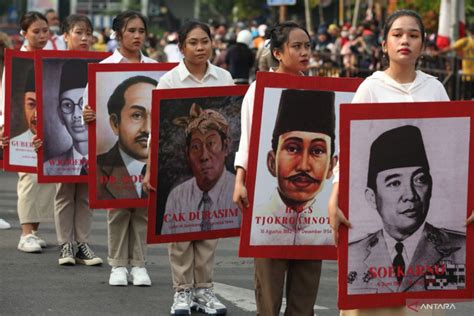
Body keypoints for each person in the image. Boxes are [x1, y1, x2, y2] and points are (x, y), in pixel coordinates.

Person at [326, 9, 471, 315]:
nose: (405, 40)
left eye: (413, 35)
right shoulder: (370, 88)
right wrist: (337, 193)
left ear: (423, 45)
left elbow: (453, 150)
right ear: (384, 44)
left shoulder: (435, 89)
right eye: (397, 34)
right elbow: (349, 148)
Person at [142, 20, 234, 316]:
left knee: (209, 231)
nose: (200, 47)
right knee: (181, 232)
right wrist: (149, 169)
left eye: (204, 41)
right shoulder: (169, 81)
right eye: (193, 42)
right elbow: (156, 132)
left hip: (214, 172)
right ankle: (181, 292)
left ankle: (204, 290)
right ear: (181, 47)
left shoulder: (224, 77)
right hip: (180, 168)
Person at [233, 21, 322, 316]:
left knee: (306, 284)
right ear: (278, 53)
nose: (305, 52)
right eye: (297, 46)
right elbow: (247, 139)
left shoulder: (319, 89)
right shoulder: (259, 90)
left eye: (308, 46)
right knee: (269, 287)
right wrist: (241, 180)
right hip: (267, 199)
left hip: (315, 207)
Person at [83, 10, 155, 287]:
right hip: (116, 167)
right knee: (119, 210)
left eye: (141, 30)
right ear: (118, 34)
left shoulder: (155, 67)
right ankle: (117, 264)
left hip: (151, 158)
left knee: (143, 210)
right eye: (131, 31)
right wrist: (86, 115)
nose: (137, 36)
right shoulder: (104, 68)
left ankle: (139, 264)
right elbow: (87, 108)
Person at [348, 125, 466, 294]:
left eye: (420, 179)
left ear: (430, 187)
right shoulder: (353, 255)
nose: (410, 195)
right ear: (372, 197)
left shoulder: (461, 250)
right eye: (394, 183)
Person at [33, 14, 103, 266]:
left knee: (85, 195)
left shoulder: (102, 64)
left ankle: (83, 243)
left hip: (96, 143)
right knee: (64, 193)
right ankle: (66, 245)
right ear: (65, 35)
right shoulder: (53, 61)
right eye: (78, 33)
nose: (84, 38)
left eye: (88, 33)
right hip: (65, 164)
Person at [250, 89, 336, 246]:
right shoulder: (254, 230)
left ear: (331, 166)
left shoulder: (331, 233)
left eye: (317, 151)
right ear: (271, 162)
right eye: (292, 149)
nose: (303, 166)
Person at [1, 12, 56, 253]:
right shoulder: (17, 60)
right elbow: (6, 96)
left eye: (45, 30)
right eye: (36, 31)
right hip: (21, 129)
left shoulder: (51, 57)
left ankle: (33, 231)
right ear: (24, 33)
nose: (42, 35)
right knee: (28, 178)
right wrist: (4, 125)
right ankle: (25, 234)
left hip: (48, 127)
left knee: (44, 179)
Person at [161, 103, 240, 235]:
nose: (204, 156)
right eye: (196, 147)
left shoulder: (239, 192)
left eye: (211, 144)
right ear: (187, 153)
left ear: (225, 147)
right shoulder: (177, 197)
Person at [96, 75, 157, 200]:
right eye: (137, 115)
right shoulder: (94, 169)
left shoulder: (177, 171)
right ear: (115, 123)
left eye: (156, 115)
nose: (148, 129)